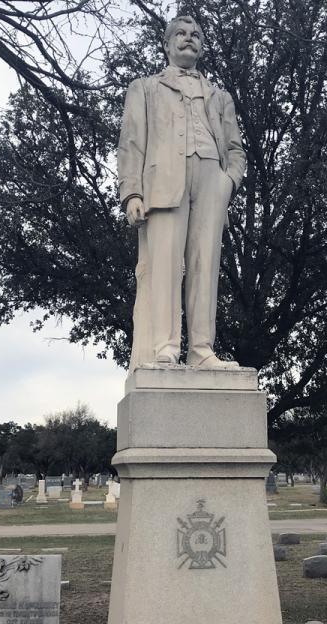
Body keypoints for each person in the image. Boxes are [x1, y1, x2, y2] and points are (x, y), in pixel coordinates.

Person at [119, 15, 246, 370]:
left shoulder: (219, 97)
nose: (189, 39)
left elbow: (235, 149)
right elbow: (130, 143)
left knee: (206, 264)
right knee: (165, 266)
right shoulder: (144, 88)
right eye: (181, 34)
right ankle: (166, 346)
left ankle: (202, 349)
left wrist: (228, 181)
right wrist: (131, 193)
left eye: (196, 35)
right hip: (163, 183)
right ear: (167, 43)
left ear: (202, 46)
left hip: (210, 179)